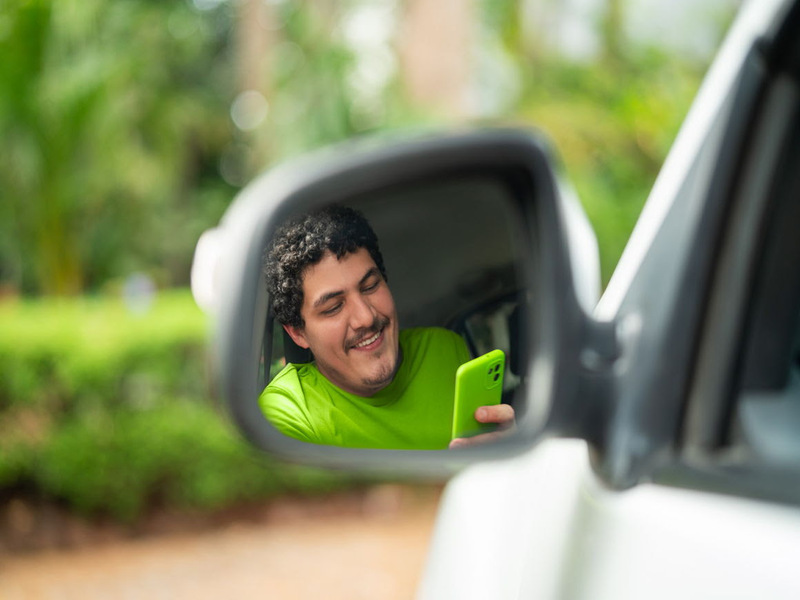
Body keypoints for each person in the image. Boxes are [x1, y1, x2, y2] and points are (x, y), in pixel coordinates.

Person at [259, 204, 514, 449]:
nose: (366, 318)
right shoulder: (287, 411)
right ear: (298, 333)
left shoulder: (444, 346)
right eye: (333, 307)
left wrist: (506, 444)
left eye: (370, 286)